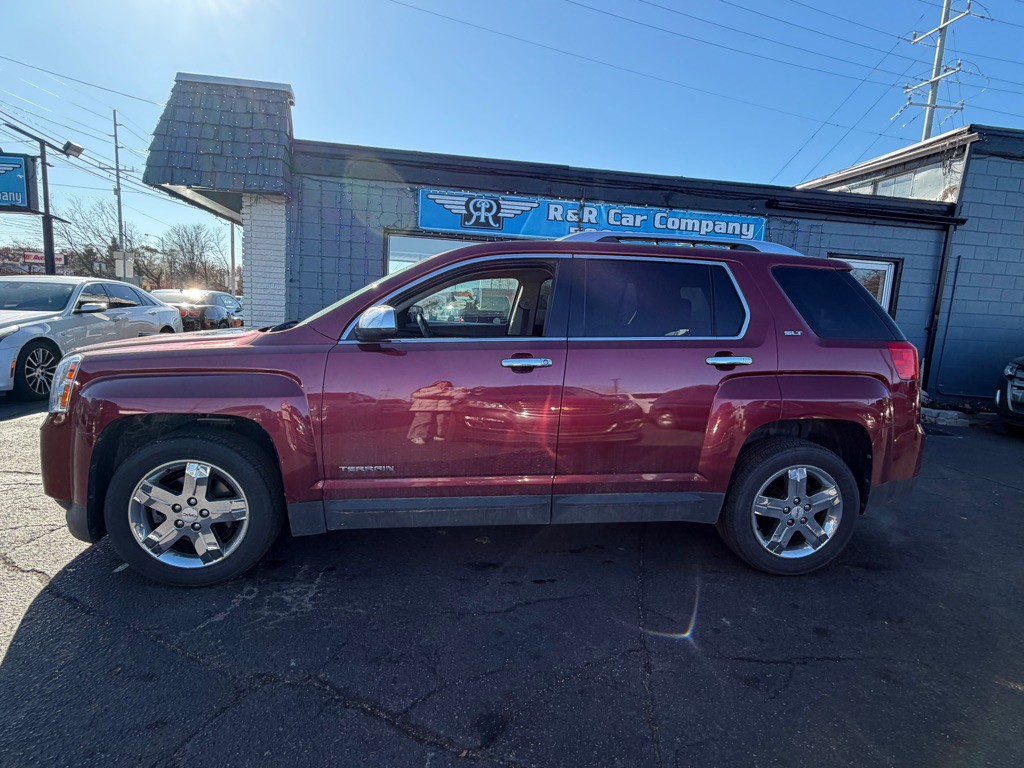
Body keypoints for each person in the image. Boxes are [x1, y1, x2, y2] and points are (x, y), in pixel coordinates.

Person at [407, 380, 468, 444]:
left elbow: (460, 397)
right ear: (436, 384)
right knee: (423, 421)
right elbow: (417, 395)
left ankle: (439, 435)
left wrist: (461, 391)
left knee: (442, 421)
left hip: (443, 407)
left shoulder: (450, 391)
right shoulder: (427, 389)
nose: (444, 385)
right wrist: (438, 391)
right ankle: (416, 436)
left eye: (446, 384)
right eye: (442, 383)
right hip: (424, 407)